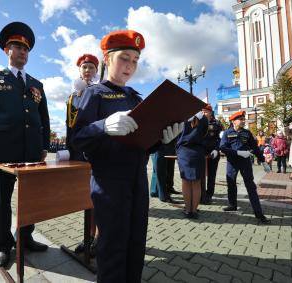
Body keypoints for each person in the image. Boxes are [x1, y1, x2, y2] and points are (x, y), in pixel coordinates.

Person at [71, 30, 183, 283]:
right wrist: (102, 126)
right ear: (107, 59)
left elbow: (140, 145)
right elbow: (77, 139)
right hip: (109, 182)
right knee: (112, 247)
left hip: (137, 179)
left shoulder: (135, 97)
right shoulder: (95, 93)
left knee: (136, 244)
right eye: (124, 58)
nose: (130, 66)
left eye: (135, 60)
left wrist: (161, 140)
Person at [0, 22, 50, 267]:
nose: (22, 52)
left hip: (31, 150)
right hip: (2, 150)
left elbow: (44, 118)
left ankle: (25, 237)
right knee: (1, 200)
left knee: (31, 198)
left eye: (26, 49)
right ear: (7, 50)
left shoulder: (37, 84)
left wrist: (45, 145)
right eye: (17, 47)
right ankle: (3, 245)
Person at [65, 53, 100, 255]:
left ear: (96, 72)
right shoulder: (73, 97)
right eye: (84, 67)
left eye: (91, 68)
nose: (87, 71)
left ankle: (98, 239)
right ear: (79, 71)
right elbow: (71, 129)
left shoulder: (100, 92)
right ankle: (88, 237)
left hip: (97, 154)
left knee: (97, 199)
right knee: (85, 198)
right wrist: (69, 153)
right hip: (79, 155)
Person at [220, 111, 270, 224]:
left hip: (245, 162)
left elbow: (255, 148)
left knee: (250, 186)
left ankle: (258, 213)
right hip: (232, 162)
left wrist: (263, 161)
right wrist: (237, 153)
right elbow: (222, 147)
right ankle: (232, 205)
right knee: (231, 184)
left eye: (244, 119)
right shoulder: (227, 133)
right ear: (233, 121)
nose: (243, 121)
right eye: (240, 119)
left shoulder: (247, 133)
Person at [176, 110, 210, 219]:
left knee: (186, 182)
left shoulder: (181, 115)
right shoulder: (203, 118)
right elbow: (205, 134)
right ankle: (194, 211)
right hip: (198, 151)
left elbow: (175, 133)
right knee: (196, 182)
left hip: (183, 151)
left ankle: (188, 210)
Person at [201, 104, 223, 204]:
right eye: (202, 111)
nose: (203, 113)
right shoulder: (197, 122)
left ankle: (209, 195)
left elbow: (220, 139)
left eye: (205, 111)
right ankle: (201, 194)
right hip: (201, 152)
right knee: (200, 175)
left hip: (213, 152)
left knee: (211, 175)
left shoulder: (217, 123)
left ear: (210, 112)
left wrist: (216, 149)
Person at [150, 138, 182, 204]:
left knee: (166, 168)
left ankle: (158, 190)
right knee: (160, 171)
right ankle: (163, 196)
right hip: (160, 143)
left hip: (169, 142)